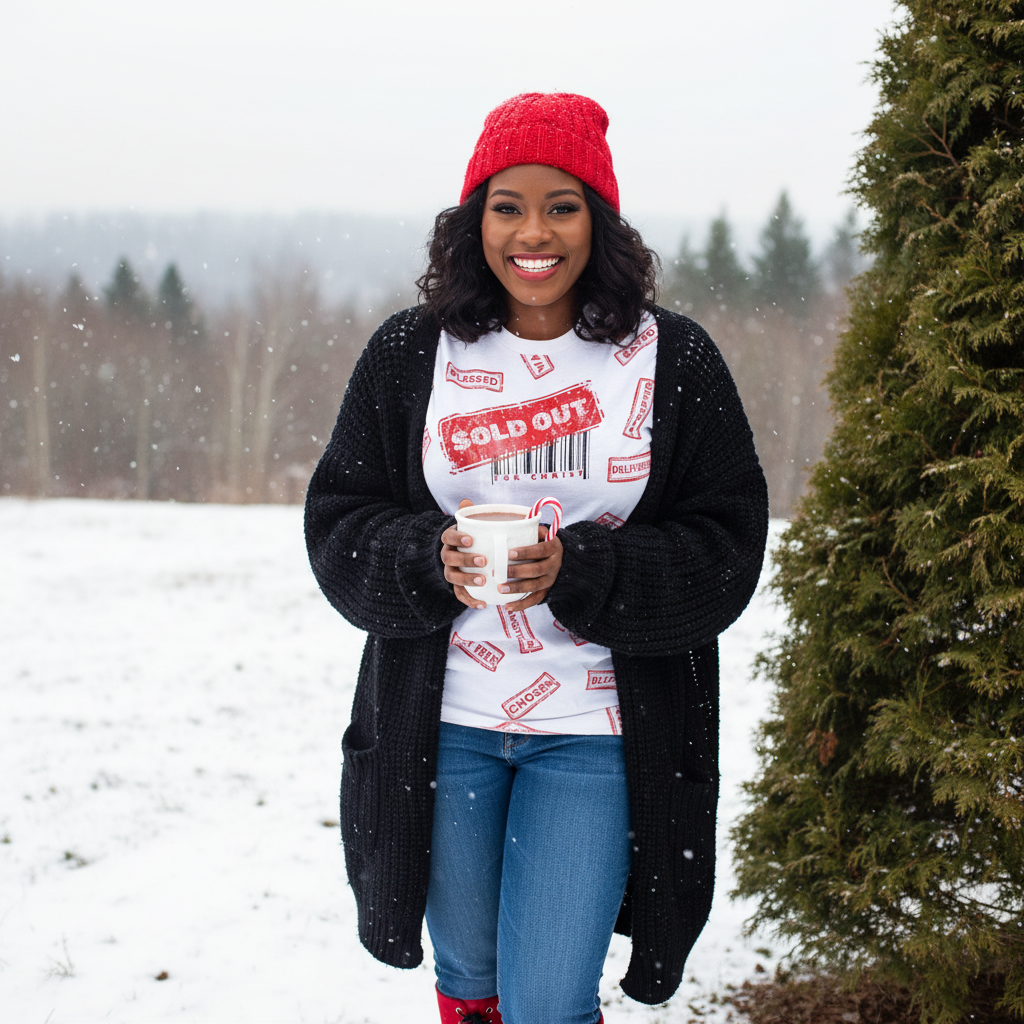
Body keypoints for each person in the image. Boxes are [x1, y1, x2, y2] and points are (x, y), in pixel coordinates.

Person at [305, 93, 768, 1024]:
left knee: (549, 1000)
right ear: (474, 220)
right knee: (472, 982)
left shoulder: (671, 359)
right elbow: (339, 523)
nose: (533, 232)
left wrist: (585, 573)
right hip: (444, 727)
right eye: (506, 205)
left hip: (598, 736)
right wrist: (428, 556)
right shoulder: (410, 352)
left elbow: (728, 549)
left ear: (599, 220)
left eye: (562, 205)